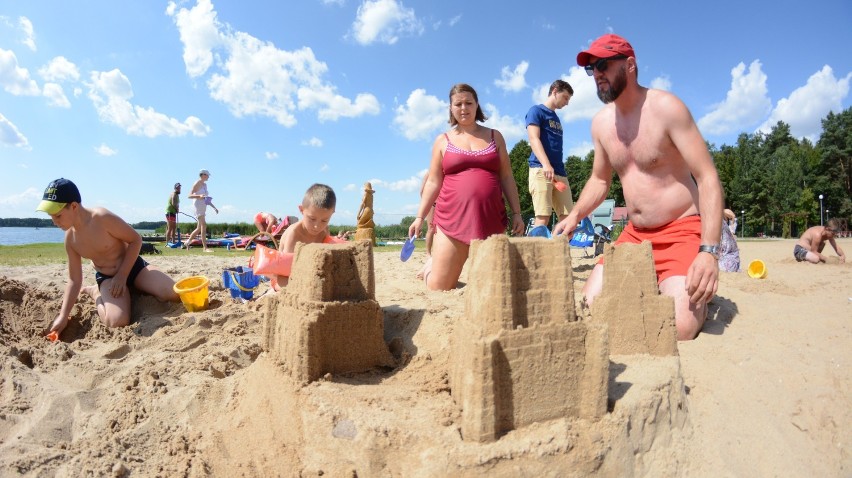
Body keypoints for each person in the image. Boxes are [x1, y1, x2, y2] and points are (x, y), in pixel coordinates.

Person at [553, 34, 723, 340]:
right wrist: (575, 215)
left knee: (679, 328)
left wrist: (708, 252)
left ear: (630, 65)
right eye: (592, 68)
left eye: (603, 64)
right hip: (635, 235)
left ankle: (685, 291)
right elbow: (600, 180)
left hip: (681, 230)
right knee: (590, 307)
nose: (597, 74)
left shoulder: (667, 108)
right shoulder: (601, 124)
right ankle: (661, 285)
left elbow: (708, 176)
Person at [408, 83, 525, 290]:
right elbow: (434, 181)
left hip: (490, 220)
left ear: (477, 105)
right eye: (458, 104)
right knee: (438, 287)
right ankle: (430, 266)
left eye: (468, 103)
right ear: (451, 108)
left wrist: (516, 213)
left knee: (496, 288)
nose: (464, 108)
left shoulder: (494, 136)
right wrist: (419, 217)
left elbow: (507, 176)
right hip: (451, 220)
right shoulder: (442, 141)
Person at [36, 178, 179, 338]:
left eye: (58, 216)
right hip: (108, 278)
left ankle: (133, 288)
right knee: (116, 321)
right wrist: (63, 316)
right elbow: (74, 280)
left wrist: (122, 276)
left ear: (74, 206)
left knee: (173, 293)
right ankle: (96, 293)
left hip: (133, 267)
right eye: (52, 217)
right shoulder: (70, 239)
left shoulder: (101, 218)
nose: (54, 222)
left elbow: (135, 240)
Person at [526, 79, 575, 230]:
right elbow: (533, 138)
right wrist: (546, 164)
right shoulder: (536, 111)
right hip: (541, 169)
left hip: (560, 172)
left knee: (568, 219)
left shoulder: (556, 118)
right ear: (555, 91)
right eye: (565, 97)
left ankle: (556, 251)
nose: (567, 103)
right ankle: (532, 253)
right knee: (543, 217)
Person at [276, 183, 341, 288]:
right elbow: (285, 273)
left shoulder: (325, 231)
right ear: (301, 210)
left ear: (332, 213)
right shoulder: (294, 234)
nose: (317, 226)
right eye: (312, 219)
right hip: (285, 278)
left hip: (310, 277)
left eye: (324, 220)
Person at [184, 169, 217, 252]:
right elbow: (189, 195)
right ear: (203, 175)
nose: (208, 177)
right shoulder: (197, 183)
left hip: (203, 206)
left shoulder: (205, 185)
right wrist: (199, 196)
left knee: (199, 228)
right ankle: (205, 248)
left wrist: (214, 207)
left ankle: (187, 242)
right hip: (198, 206)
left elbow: (206, 199)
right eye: (207, 175)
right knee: (204, 225)